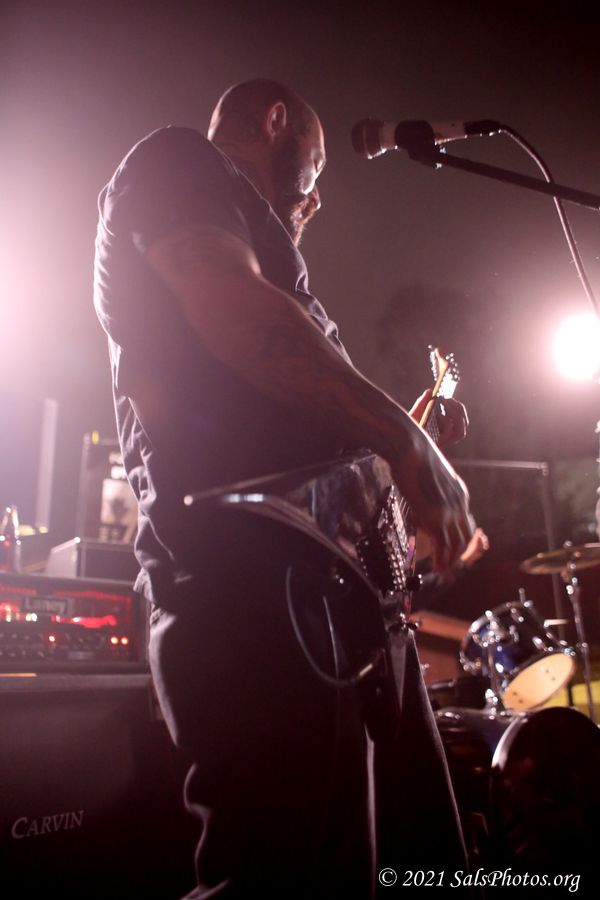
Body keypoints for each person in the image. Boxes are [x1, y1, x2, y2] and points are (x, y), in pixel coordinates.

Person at [94, 79, 474, 898]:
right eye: (317, 169)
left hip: (347, 616)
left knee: (420, 868)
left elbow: (293, 439)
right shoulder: (174, 161)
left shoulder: (274, 264)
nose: (317, 197)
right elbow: (232, 307)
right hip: (254, 601)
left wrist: (390, 454)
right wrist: (400, 439)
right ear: (276, 122)